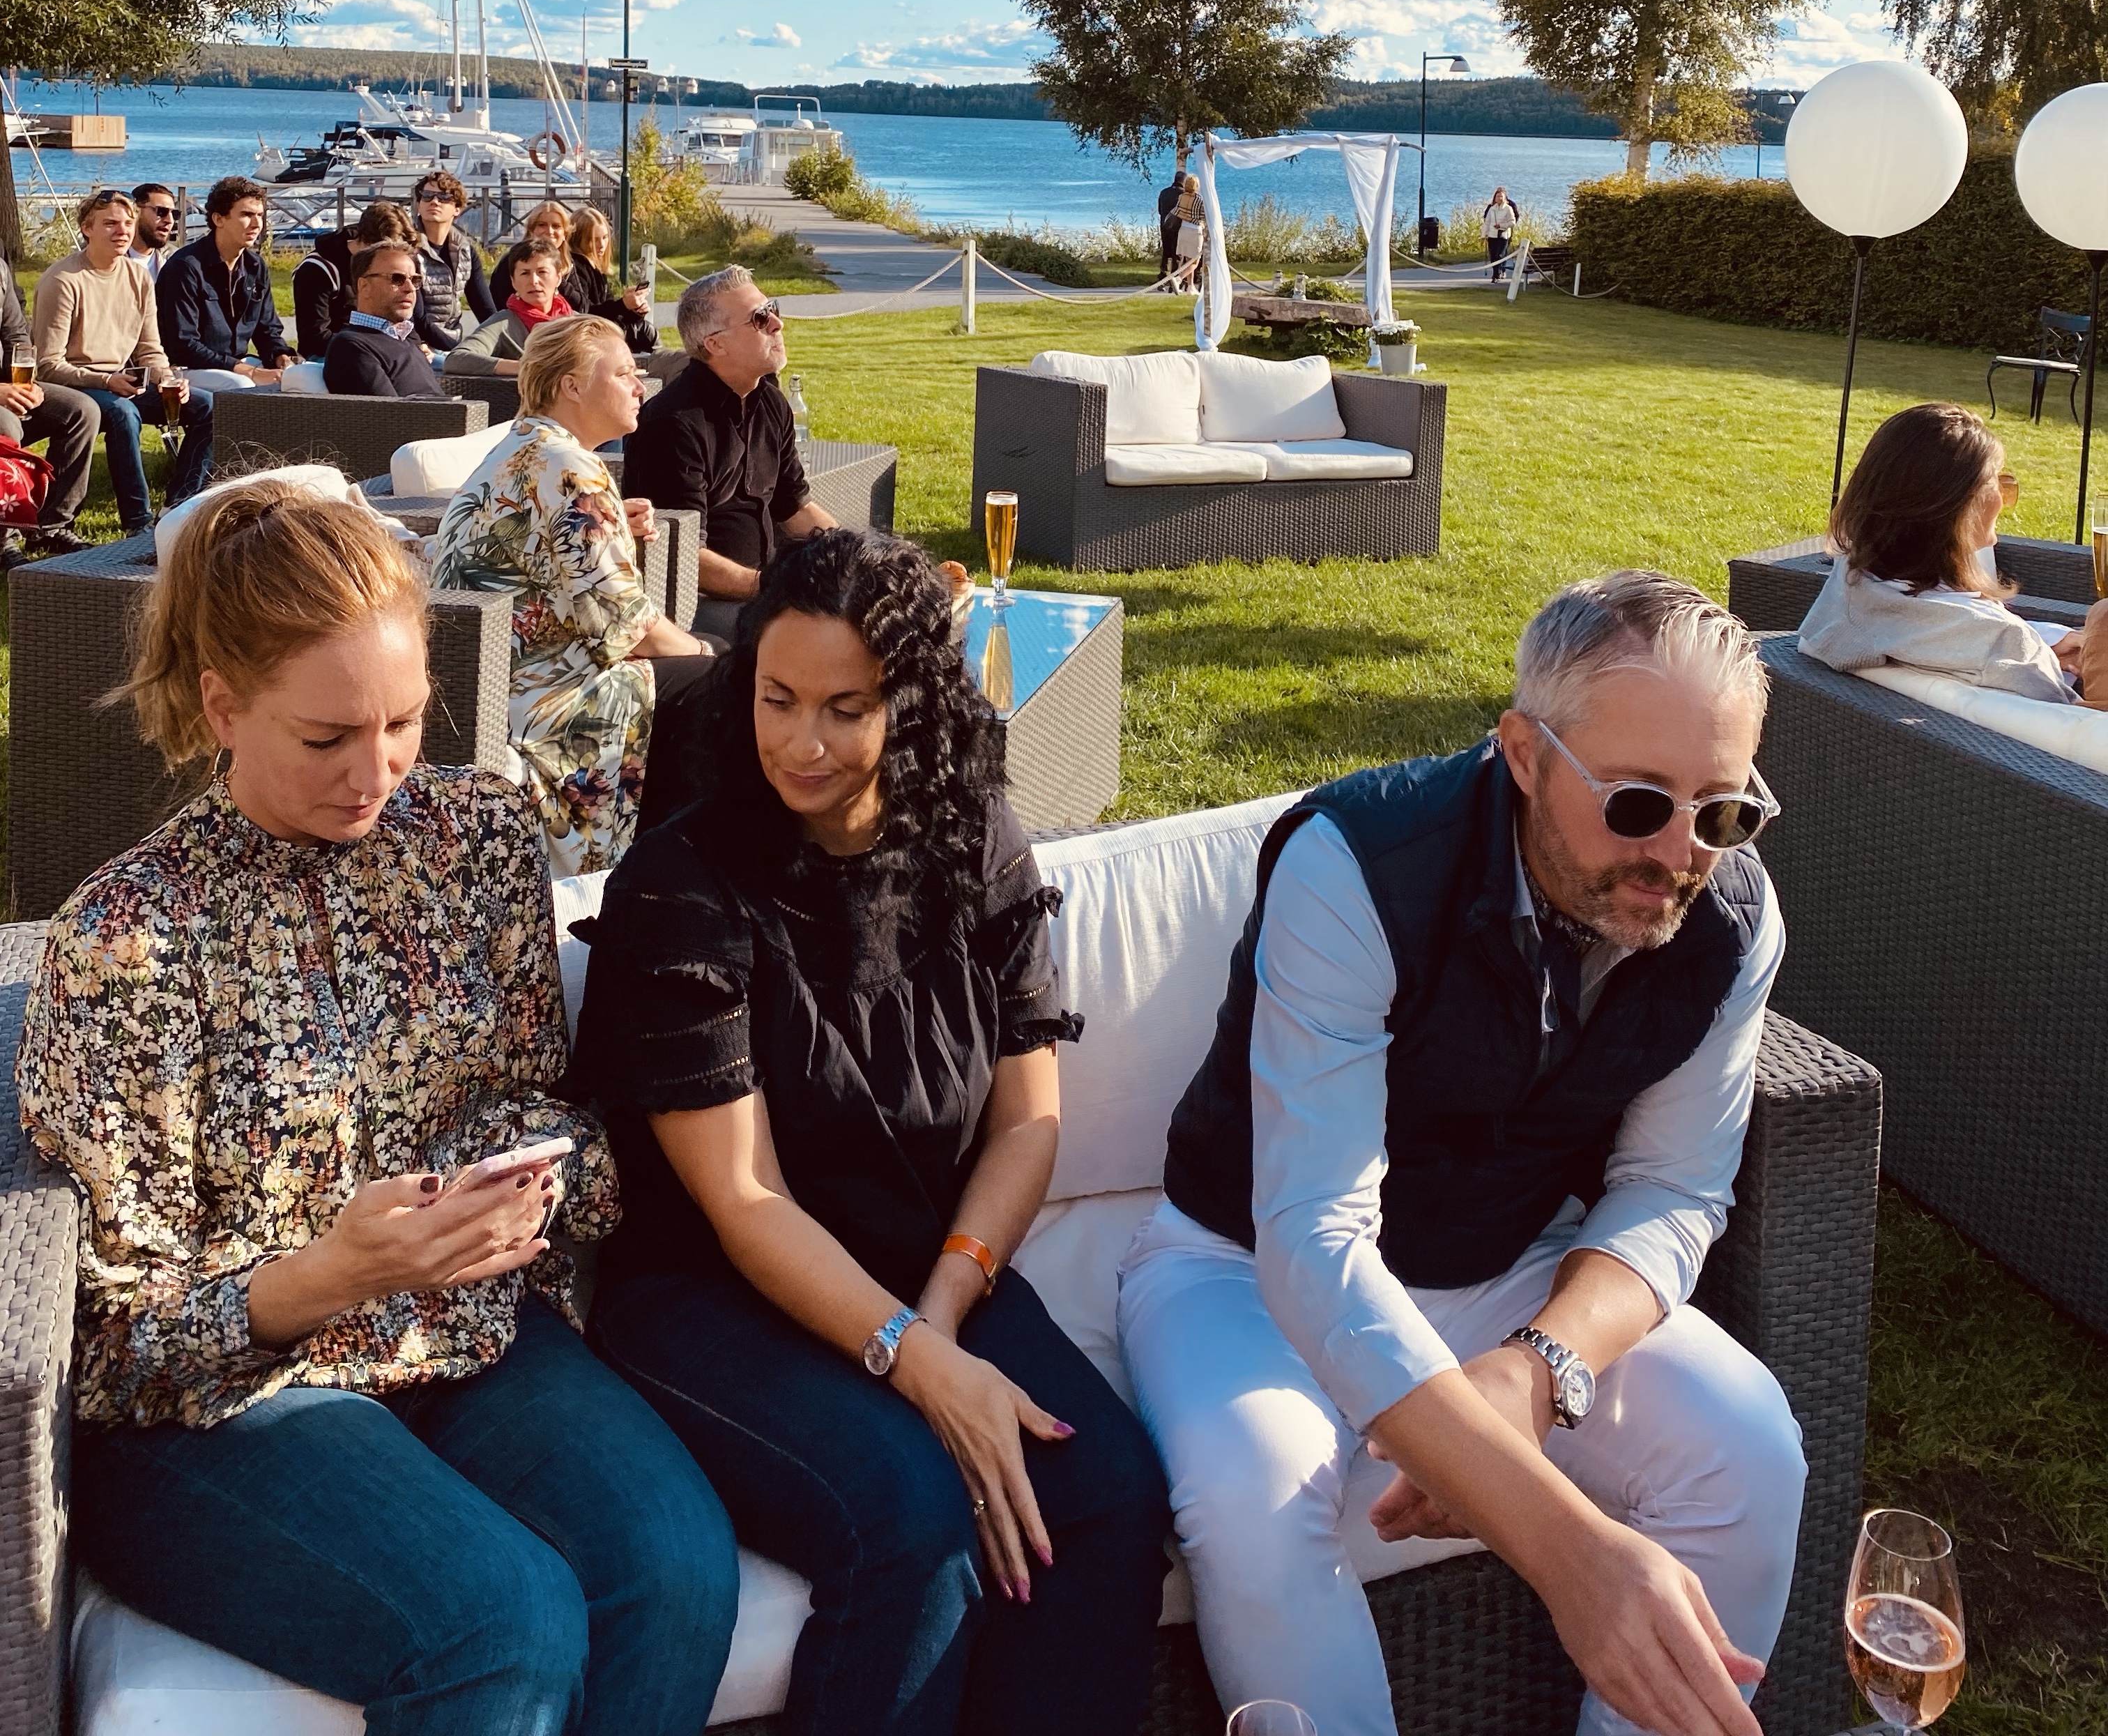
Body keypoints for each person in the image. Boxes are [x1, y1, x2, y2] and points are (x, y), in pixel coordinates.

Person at [14, 479, 738, 1735]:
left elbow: (546, 1108)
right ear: (222, 707)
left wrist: (529, 1188)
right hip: (228, 1401)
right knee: (500, 1624)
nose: (376, 773)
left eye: (404, 721)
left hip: (470, 1335)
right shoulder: (130, 938)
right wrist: (330, 1275)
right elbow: (115, 1349)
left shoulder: (478, 840)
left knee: (674, 1569)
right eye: (326, 737)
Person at [1117, 569, 1804, 1736]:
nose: (1680, 853)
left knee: (1750, 1450)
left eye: (1722, 810)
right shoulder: (1358, 863)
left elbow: (1672, 1184)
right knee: (1252, 1497)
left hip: (1505, 1263)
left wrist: (1536, 1368)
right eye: (1638, 803)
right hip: (1238, 1267)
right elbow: (1312, 1235)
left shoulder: (1732, 920)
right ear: (1524, 753)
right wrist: (1567, 1551)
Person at [569, 528, 1172, 1736]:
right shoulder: (684, 887)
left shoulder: (976, 842)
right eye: (777, 699)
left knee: (1108, 1492)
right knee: (910, 1515)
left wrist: (940, 1315)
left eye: (845, 709)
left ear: (911, 702)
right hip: (710, 1296)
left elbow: (1027, 1122)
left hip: (925, 1265)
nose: (803, 740)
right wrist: (918, 1364)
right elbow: (743, 1201)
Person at [430, 313, 709, 871]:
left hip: (488, 689)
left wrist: (611, 522)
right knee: (721, 684)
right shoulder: (569, 470)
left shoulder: (525, 448)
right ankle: (663, 870)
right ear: (572, 386)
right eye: (624, 373)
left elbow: (541, 556)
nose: (641, 386)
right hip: (541, 702)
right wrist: (707, 655)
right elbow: (629, 627)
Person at [1799, 399, 2108, 704]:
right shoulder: (2008, 647)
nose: (2004, 499)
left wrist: (2047, 642)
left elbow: (1946, 635)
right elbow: (2077, 720)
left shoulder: (1851, 588)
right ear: (1959, 508)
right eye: (1997, 482)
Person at [624, 265, 837, 640]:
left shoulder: (771, 402)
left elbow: (794, 507)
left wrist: (857, 555)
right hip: (695, 604)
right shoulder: (674, 423)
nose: (777, 324)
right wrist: (776, 588)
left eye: (773, 309)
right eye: (760, 318)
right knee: (825, 639)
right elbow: (683, 555)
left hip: (761, 588)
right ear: (715, 344)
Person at [33, 186, 211, 532]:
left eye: (128, 223)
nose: (122, 231)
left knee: (206, 407)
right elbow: (48, 366)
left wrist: (167, 380)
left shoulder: (138, 276)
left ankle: (178, 507)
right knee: (123, 413)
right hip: (76, 386)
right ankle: (138, 522)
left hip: (122, 381)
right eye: (110, 224)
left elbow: (149, 348)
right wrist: (105, 381)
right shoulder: (63, 280)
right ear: (87, 228)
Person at [0, 246, 98, 558]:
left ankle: (51, 527)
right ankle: (5, 537)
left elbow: (16, 335)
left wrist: (24, 384)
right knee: (5, 424)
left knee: (81, 411)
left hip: (6, 384)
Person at [155, 174, 291, 395]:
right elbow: (184, 345)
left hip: (237, 363)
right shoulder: (185, 267)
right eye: (246, 215)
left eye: (260, 215)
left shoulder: (255, 266)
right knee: (243, 386)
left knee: (303, 380)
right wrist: (249, 372)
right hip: (188, 368)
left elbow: (267, 330)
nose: (257, 224)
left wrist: (281, 357)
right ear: (219, 219)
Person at [323, 239, 448, 397]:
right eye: (397, 279)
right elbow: (387, 411)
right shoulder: (351, 346)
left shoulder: (405, 340)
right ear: (364, 287)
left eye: (415, 280)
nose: (410, 288)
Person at [296, 199, 418, 358]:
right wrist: (378, 349)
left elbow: (403, 320)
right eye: (386, 255)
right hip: (332, 355)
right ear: (367, 243)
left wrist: (417, 346)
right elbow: (314, 338)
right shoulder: (318, 269)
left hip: (388, 347)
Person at [450, 240, 574, 379]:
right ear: (513, 282)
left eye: (542, 272)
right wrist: (525, 368)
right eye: (525, 273)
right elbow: (456, 359)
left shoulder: (576, 324)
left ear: (558, 278)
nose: (534, 281)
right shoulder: (503, 324)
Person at [410, 172, 496, 352]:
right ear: (418, 205)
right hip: (418, 344)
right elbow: (419, 319)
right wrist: (458, 350)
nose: (434, 202)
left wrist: (499, 342)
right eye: (427, 196)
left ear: (457, 209)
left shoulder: (465, 251)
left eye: (443, 197)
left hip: (452, 340)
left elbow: (485, 310)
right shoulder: (409, 250)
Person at [567, 205, 659, 356]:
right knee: (647, 332)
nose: (602, 245)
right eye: (594, 240)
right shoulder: (576, 268)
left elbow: (609, 310)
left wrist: (633, 311)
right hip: (591, 336)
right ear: (578, 240)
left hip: (603, 330)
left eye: (605, 238)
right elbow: (587, 312)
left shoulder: (596, 267)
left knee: (646, 330)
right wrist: (623, 305)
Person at [490, 199, 578, 310]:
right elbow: (498, 305)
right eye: (542, 225)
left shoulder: (568, 263)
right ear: (531, 231)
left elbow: (582, 307)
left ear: (565, 233)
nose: (550, 231)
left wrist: (558, 279)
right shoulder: (512, 261)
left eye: (556, 226)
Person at [127, 183, 181, 282]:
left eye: (174, 214)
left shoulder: (176, 260)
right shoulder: (110, 258)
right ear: (136, 212)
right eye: (161, 212)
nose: (170, 221)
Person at [1482, 185, 1518, 283]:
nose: (1500, 198)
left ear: (1505, 197)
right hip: (1492, 236)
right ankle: (1496, 274)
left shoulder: (1509, 208)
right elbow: (1487, 222)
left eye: (1501, 196)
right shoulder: (1491, 209)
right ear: (1495, 198)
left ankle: (1496, 276)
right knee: (1493, 256)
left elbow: (1513, 222)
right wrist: (1483, 235)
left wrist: (1501, 226)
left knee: (1500, 255)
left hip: (1503, 236)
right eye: (1498, 196)